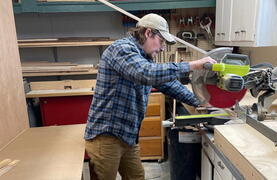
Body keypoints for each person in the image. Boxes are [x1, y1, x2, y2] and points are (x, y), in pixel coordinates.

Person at [84, 13, 216, 180]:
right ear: (148, 33)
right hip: (106, 136)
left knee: (137, 177)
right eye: (161, 41)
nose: (162, 48)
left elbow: (168, 84)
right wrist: (192, 65)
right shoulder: (121, 49)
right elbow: (145, 73)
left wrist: (203, 103)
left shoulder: (143, 57)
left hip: (128, 136)